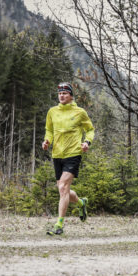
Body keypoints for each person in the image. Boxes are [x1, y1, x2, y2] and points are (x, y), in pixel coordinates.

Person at [42, 82, 94, 236]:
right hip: (57, 154)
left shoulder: (80, 112)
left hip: (73, 153)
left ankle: (59, 225)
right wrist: (47, 141)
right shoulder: (52, 112)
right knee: (62, 189)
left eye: (65, 93)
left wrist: (87, 142)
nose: (61, 96)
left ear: (71, 96)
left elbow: (90, 129)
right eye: (59, 93)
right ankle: (81, 202)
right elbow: (49, 130)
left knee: (64, 187)